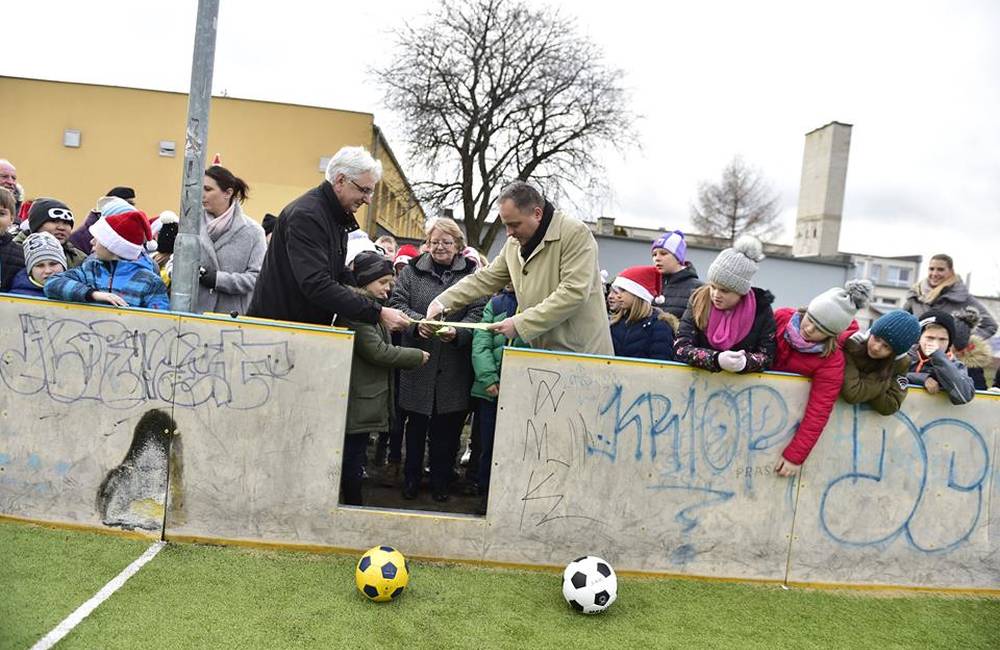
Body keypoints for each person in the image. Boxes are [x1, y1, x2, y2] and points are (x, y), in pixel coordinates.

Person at [426, 181, 613, 356]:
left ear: (537, 214)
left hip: (582, 354)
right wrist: (442, 302)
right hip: (544, 355)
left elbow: (574, 292)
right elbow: (485, 278)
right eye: (506, 225)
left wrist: (520, 323)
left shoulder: (575, 233)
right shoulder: (513, 244)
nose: (509, 233)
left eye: (514, 225)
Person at [246, 146, 410, 332]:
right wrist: (377, 312)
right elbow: (316, 283)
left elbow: (337, 273)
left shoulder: (332, 216)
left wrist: (372, 297)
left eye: (370, 192)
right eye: (364, 190)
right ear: (340, 180)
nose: (368, 200)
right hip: (279, 331)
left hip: (293, 330)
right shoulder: (308, 216)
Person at [389, 217, 485, 502]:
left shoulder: (471, 275)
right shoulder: (411, 271)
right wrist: (418, 324)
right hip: (419, 360)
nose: (440, 247)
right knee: (415, 429)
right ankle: (411, 479)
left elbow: (478, 310)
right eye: (434, 242)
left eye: (447, 242)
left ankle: (441, 482)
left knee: (448, 432)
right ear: (426, 244)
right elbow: (396, 304)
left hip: (453, 365)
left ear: (458, 246)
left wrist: (458, 332)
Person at [335, 251, 429, 506]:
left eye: (391, 283)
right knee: (351, 458)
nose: (388, 289)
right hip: (358, 401)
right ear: (366, 281)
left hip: (364, 400)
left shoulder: (370, 310)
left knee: (355, 456)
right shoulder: (357, 312)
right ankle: (351, 505)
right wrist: (415, 356)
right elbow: (377, 351)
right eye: (383, 282)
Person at [772, 280, 872, 477]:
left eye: (820, 330)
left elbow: (819, 411)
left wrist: (795, 456)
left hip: (783, 425)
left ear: (832, 335)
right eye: (810, 320)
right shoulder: (781, 318)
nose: (809, 329)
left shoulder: (831, 361)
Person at [674, 236, 776, 374]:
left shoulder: (761, 309)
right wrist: (716, 359)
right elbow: (680, 348)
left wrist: (745, 363)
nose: (716, 294)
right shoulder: (698, 299)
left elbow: (767, 356)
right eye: (713, 286)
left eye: (724, 290)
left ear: (741, 292)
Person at [470, 284, 526, 513]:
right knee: (489, 445)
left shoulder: (542, 304)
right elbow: (481, 341)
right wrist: (488, 378)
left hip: (523, 392)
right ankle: (485, 493)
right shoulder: (496, 303)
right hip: (491, 391)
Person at [45, 210, 169, 309]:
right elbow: (52, 284)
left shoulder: (150, 282)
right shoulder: (90, 269)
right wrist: (93, 294)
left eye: (98, 239)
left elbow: (159, 322)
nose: (91, 241)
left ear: (113, 247)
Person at [197, 165, 266, 315]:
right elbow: (174, 261)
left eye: (208, 190)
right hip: (192, 317)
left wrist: (218, 280)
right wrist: (177, 272)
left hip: (232, 321)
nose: (201, 194)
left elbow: (257, 278)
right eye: (201, 188)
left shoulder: (253, 232)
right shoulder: (190, 225)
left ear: (228, 193)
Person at [840, 310, 921, 415]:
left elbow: (890, 405)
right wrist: (885, 381)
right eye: (876, 338)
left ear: (895, 353)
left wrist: (872, 379)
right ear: (871, 332)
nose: (876, 347)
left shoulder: (900, 364)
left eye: (886, 346)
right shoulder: (851, 346)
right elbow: (852, 393)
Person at [903, 254, 997, 340]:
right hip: (915, 356)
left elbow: (990, 326)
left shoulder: (962, 298)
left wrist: (961, 342)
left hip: (944, 357)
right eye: (931, 269)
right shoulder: (915, 295)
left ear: (951, 271)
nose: (935, 274)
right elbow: (901, 323)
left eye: (940, 269)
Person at [907, 309, 975, 405]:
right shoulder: (905, 356)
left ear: (949, 342)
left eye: (942, 339)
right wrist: (923, 379)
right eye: (930, 338)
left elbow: (964, 396)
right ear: (919, 338)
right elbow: (887, 377)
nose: (936, 344)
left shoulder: (955, 365)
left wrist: (938, 357)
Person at [608, 265, 677, 361]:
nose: (618, 296)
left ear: (638, 294)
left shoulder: (659, 326)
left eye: (623, 291)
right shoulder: (615, 323)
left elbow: (661, 365)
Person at [68, 187, 137, 255]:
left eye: (132, 205)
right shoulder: (79, 237)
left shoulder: (132, 231)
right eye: (127, 204)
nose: (130, 209)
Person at [651, 230, 703, 319]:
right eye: (654, 254)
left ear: (678, 258)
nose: (657, 258)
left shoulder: (698, 288)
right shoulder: (648, 284)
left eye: (663, 253)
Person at [9, 232, 66, 298]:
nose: (48, 271)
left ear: (64, 265)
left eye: (53, 264)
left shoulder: (78, 292)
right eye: (40, 265)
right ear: (30, 270)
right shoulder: (15, 298)